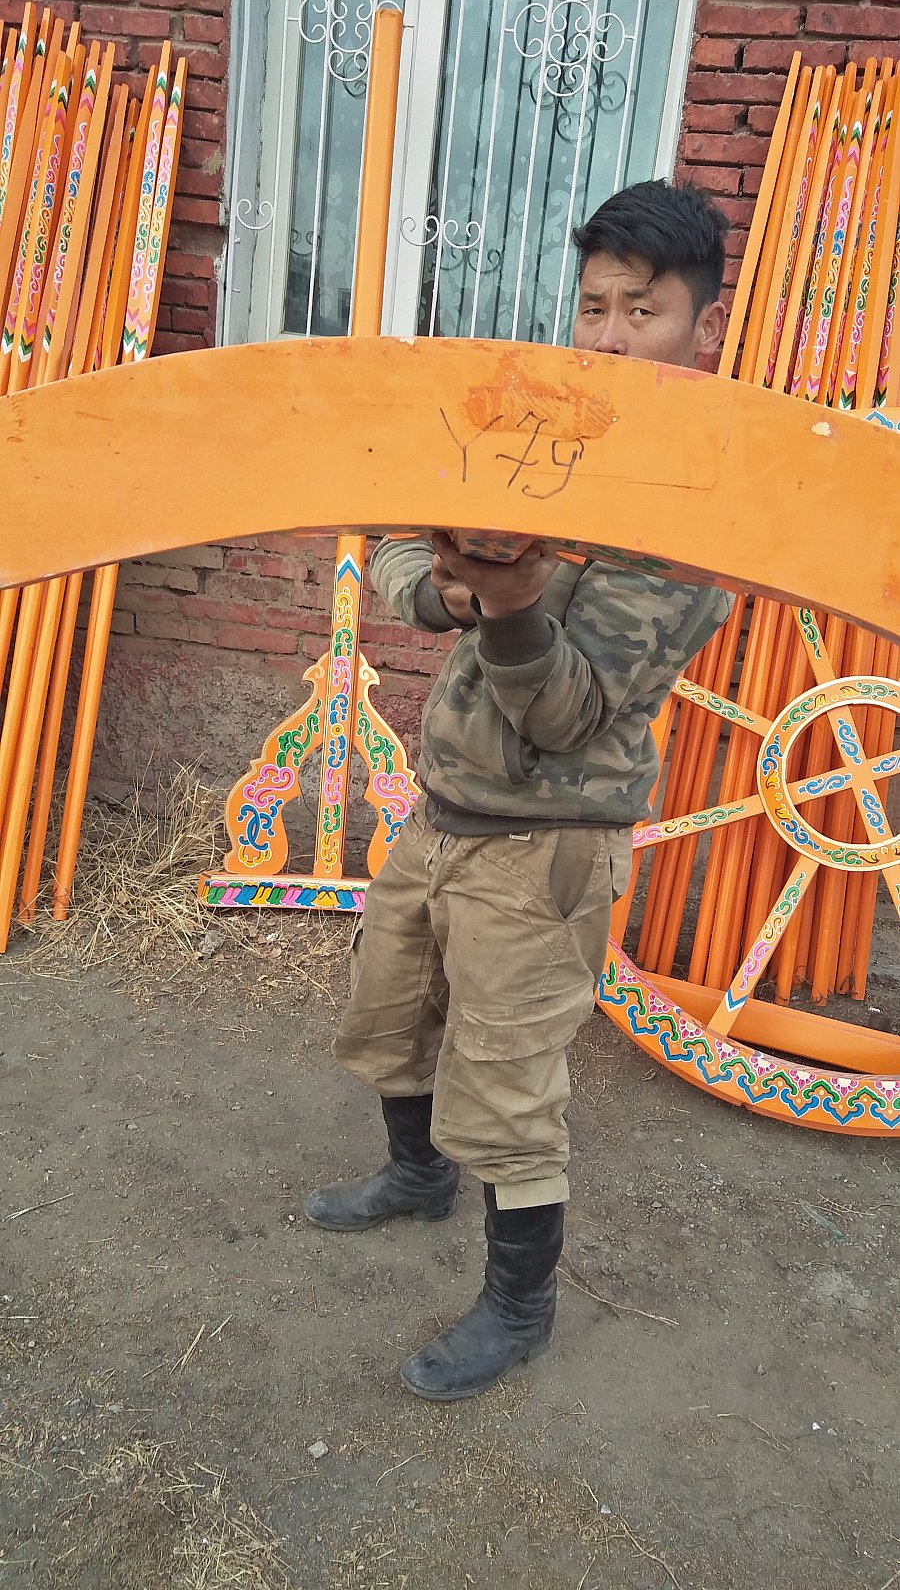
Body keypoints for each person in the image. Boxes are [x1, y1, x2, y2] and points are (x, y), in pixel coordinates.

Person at [304, 179, 733, 1401]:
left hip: (548, 845)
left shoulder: (695, 517)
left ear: (700, 323)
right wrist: (453, 588)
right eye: (594, 306)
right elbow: (396, 536)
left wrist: (506, 602)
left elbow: (567, 713)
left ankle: (520, 1306)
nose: (610, 337)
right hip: (440, 810)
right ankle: (414, 1177)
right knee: (389, 1011)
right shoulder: (532, 438)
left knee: (507, 1085)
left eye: (643, 310)